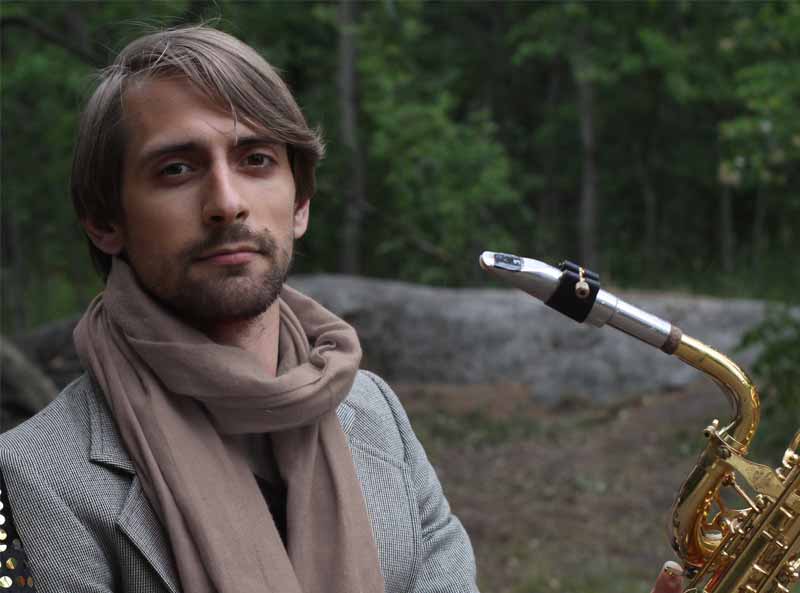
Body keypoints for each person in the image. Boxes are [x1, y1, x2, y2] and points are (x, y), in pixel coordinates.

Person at [0, 25, 683, 593]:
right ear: (105, 222)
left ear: (299, 203)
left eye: (256, 159)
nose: (227, 202)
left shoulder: (374, 413)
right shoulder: (34, 476)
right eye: (176, 169)